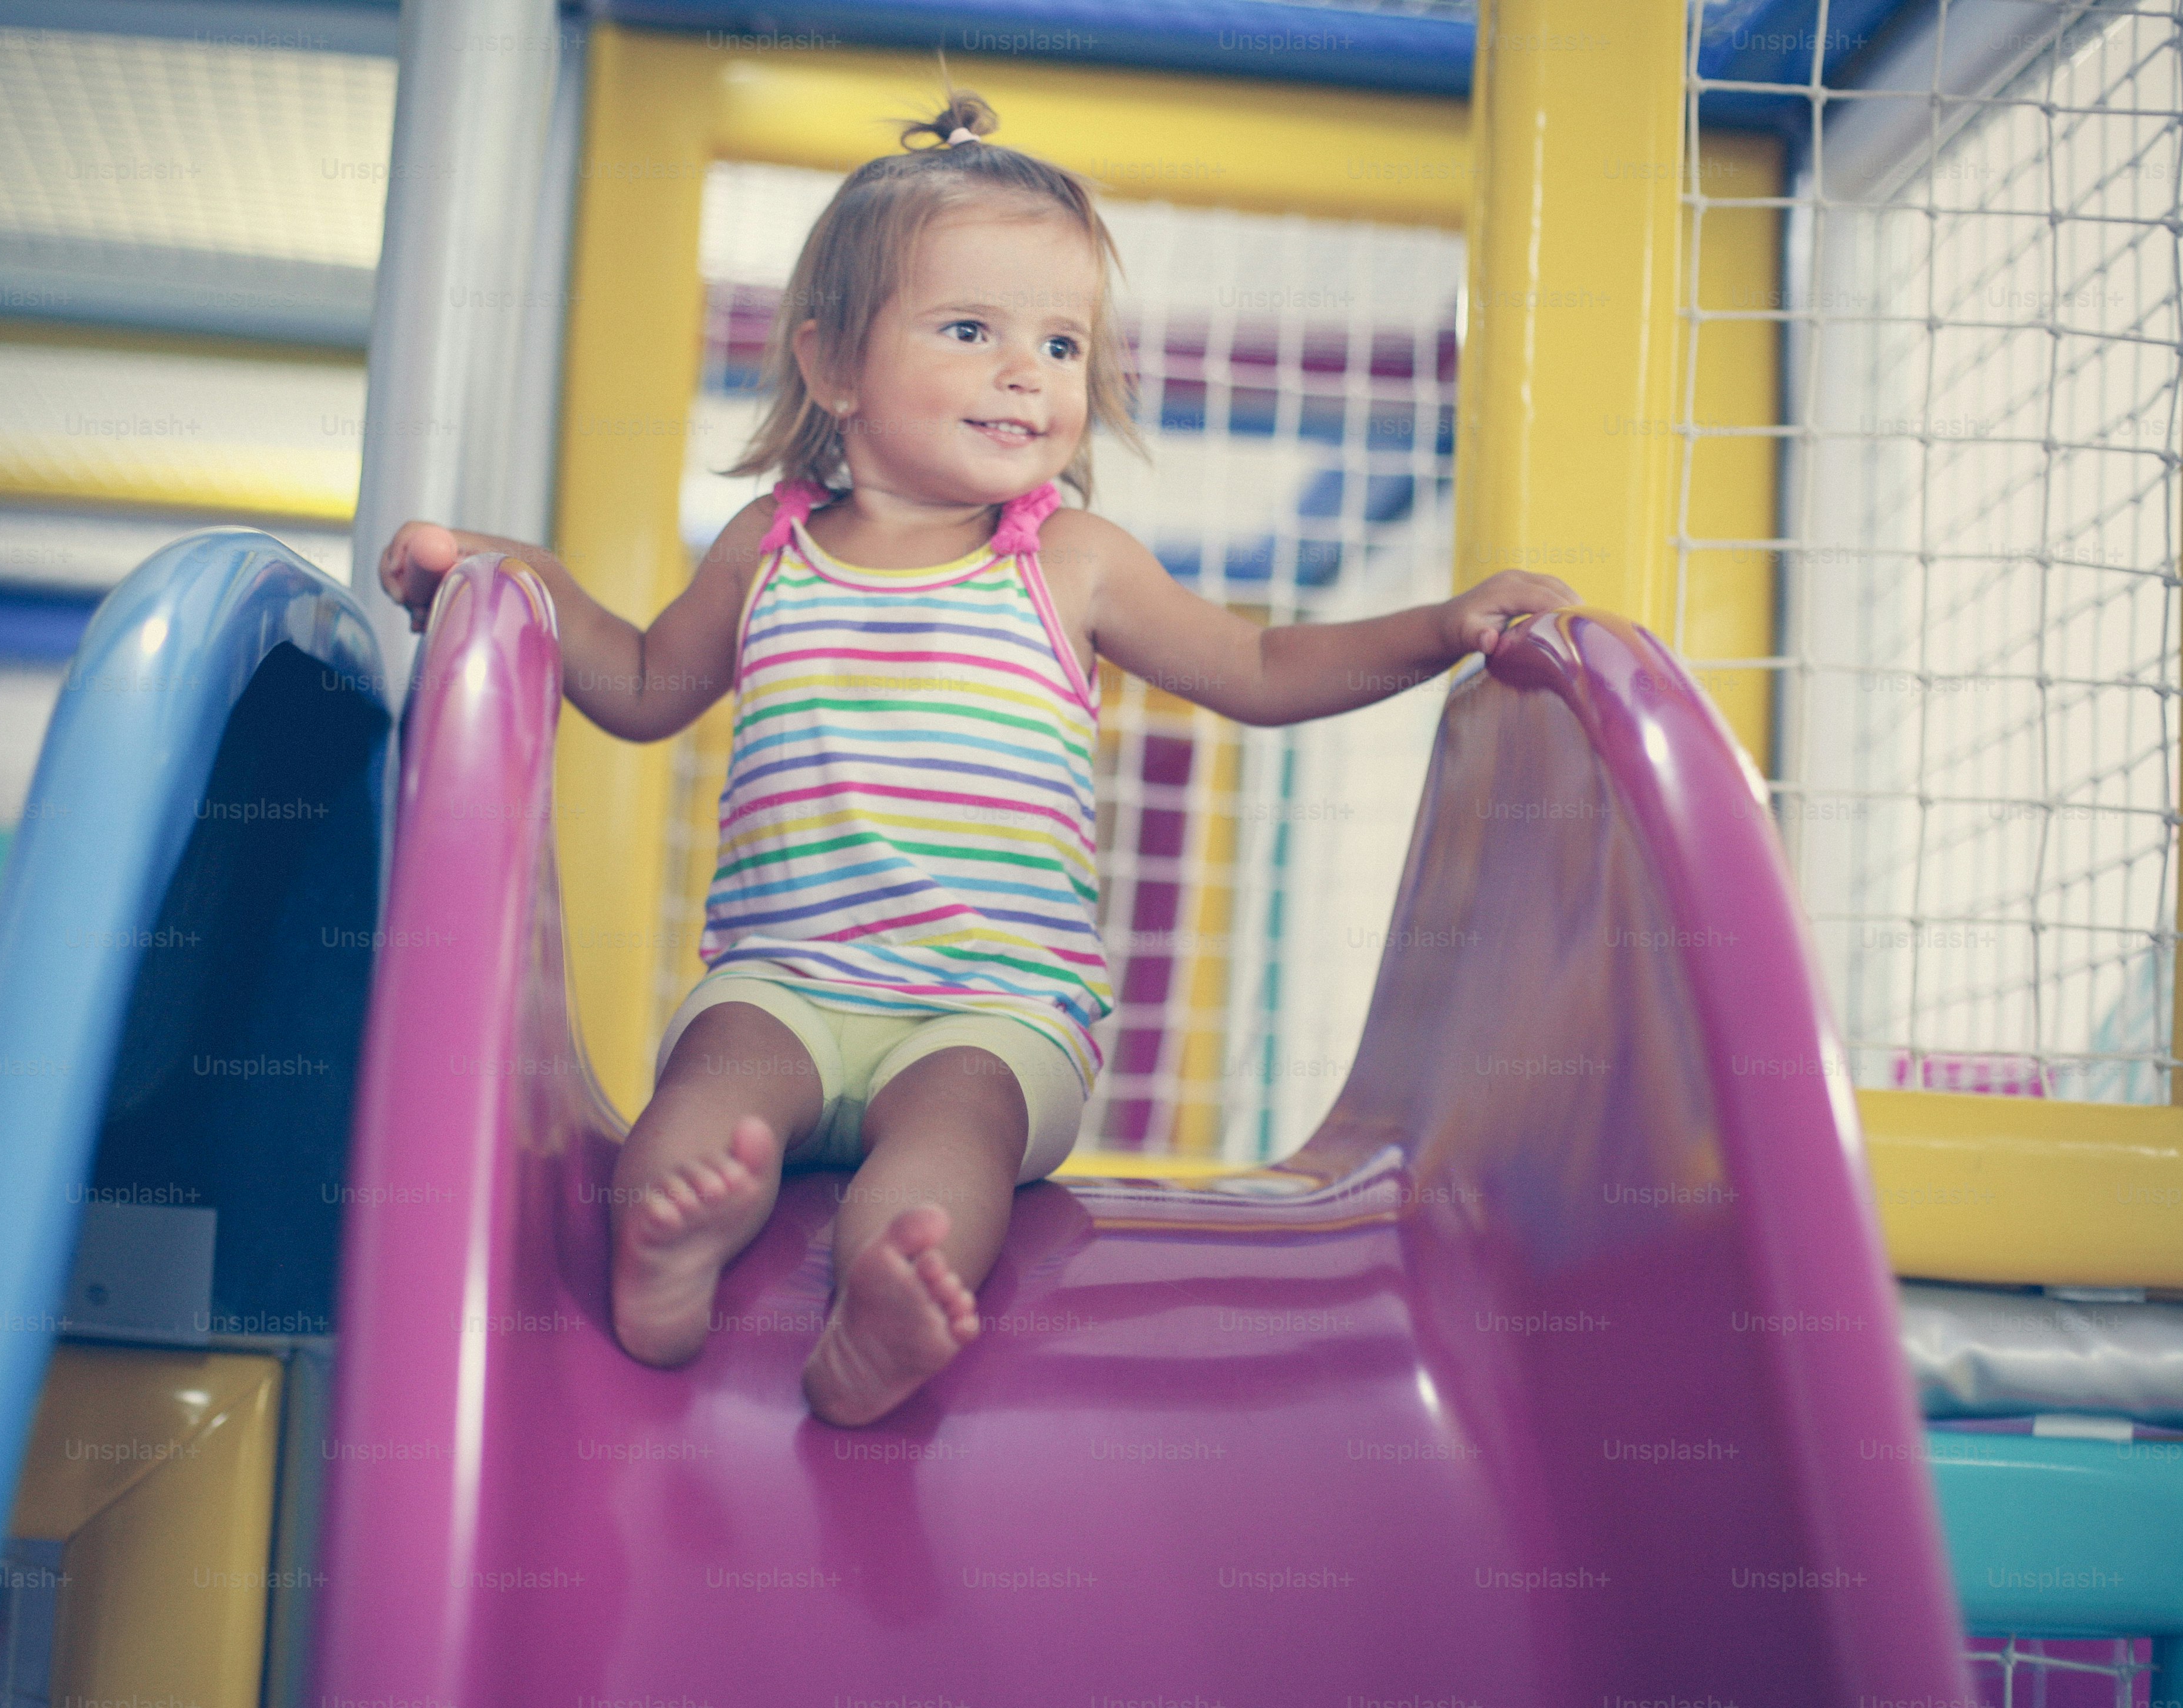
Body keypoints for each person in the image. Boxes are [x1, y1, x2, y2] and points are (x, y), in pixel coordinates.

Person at [379, 88, 1574, 1427]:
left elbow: (1260, 670)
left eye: (1062, 345)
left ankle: (886, 1314)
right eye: (972, 331)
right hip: (785, 983)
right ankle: (673, 1246)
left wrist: (1442, 625)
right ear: (835, 367)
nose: (1030, 373)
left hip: (994, 1010)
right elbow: (648, 683)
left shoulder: (1069, 563)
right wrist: (516, 576)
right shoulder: (770, 550)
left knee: (955, 1147)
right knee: (704, 1100)